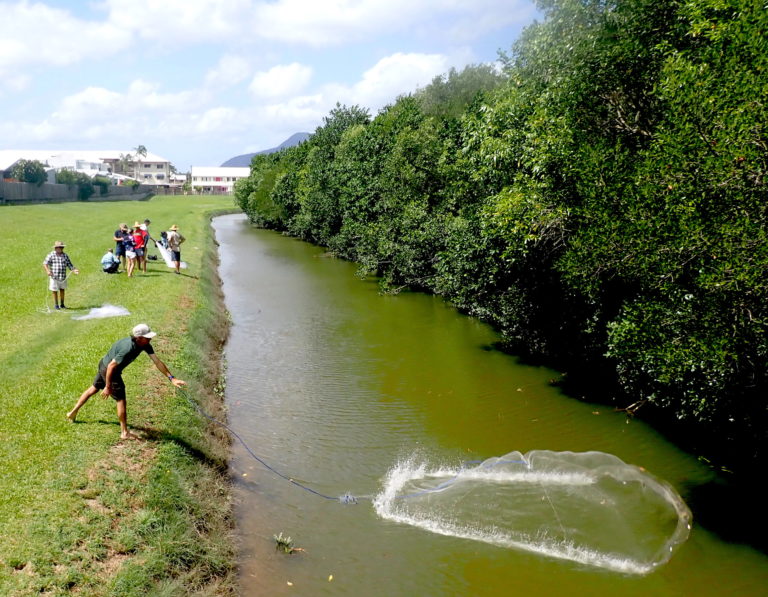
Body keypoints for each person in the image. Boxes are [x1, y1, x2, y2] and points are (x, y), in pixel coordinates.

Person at [66, 323, 186, 440]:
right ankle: (124, 432)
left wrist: (172, 378)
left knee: (93, 389)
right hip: (109, 370)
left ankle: (72, 412)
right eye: (147, 337)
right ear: (139, 338)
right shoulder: (128, 348)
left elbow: (157, 362)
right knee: (121, 399)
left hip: (104, 364)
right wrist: (108, 386)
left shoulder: (145, 344)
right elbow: (112, 366)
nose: (150, 339)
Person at [42, 241, 79, 310]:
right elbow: (45, 263)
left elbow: (70, 265)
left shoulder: (65, 255)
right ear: (55, 248)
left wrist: (74, 270)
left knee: (62, 290)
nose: (60, 249)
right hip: (54, 277)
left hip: (62, 277)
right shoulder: (51, 255)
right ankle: (56, 305)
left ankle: (62, 304)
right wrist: (47, 271)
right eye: (59, 247)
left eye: (61, 247)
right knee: (54, 290)